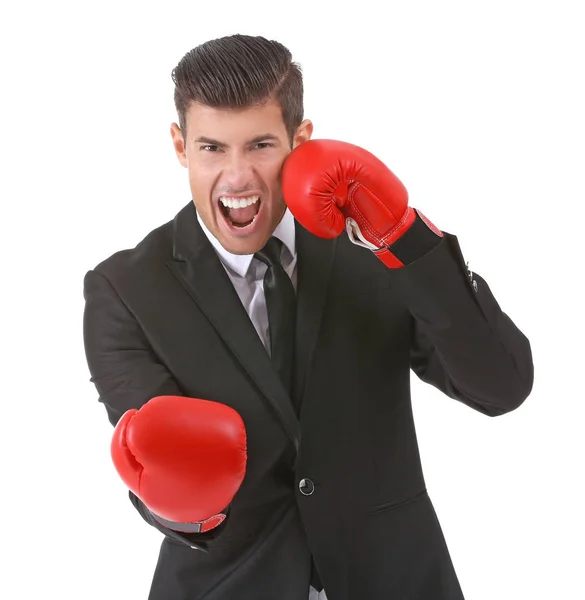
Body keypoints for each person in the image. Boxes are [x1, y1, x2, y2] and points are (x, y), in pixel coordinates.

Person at [82, 34, 534, 600]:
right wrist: (188, 510)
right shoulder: (125, 289)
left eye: (261, 145)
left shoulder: (370, 247)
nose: (238, 177)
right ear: (180, 145)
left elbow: (502, 384)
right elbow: (152, 463)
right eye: (212, 148)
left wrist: (406, 238)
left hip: (394, 580)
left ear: (302, 140)